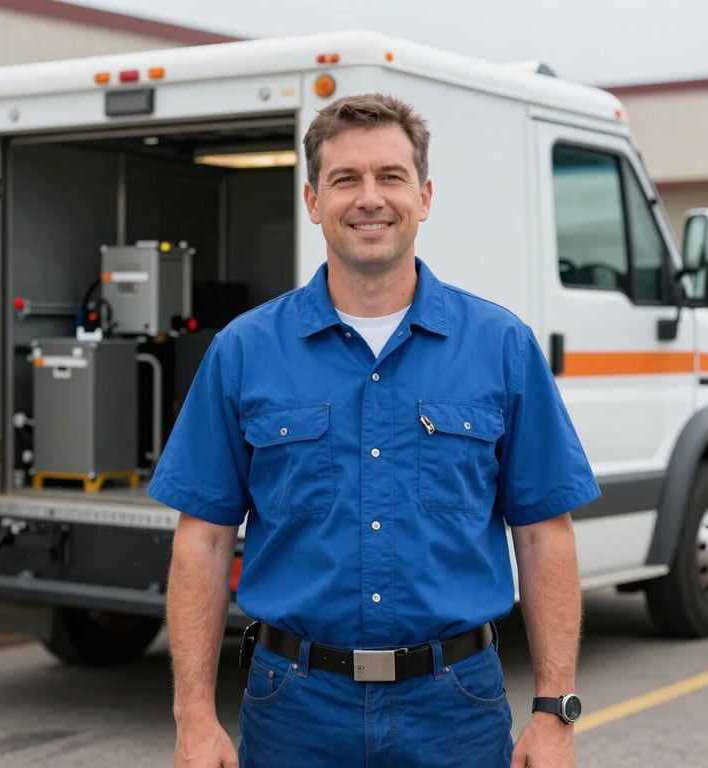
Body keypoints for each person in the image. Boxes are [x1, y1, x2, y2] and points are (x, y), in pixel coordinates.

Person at [149, 92, 600, 768]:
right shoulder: (244, 352)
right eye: (345, 179)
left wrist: (554, 712)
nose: (370, 198)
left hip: (456, 710)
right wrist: (192, 717)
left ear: (423, 195)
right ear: (311, 199)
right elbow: (204, 544)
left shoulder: (501, 346)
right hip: (293, 709)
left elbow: (544, 537)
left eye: (390, 176)